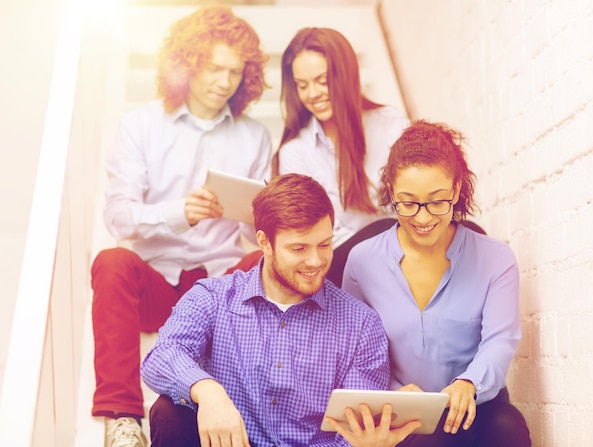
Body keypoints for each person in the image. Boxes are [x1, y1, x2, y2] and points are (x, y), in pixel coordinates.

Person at [90, 6, 272, 447]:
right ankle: (123, 418)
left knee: (260, 260)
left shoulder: (256, 136)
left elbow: (257, 236)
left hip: (219, 291)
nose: (224, 81)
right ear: (188, 64)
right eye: (214, 68)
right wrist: (179, 213)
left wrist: (251, 213)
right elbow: (118, 215)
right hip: (156, 283)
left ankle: (250, 406)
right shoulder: (140, 125)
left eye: (234, 72)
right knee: (112, 261)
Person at [140, 173, 420, 447]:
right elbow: (160, 357)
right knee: (168, 412)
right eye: (299, 248)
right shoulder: (213, 298)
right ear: (264, 242)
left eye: (324, 245)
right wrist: (208, 391)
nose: (315, 261)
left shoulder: (361, 325)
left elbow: (348, 436)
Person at [342, 120, 532, 447]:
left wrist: (467, 383)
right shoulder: (362, 262)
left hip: (474, 410)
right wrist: (391, 392)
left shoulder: (496, 259)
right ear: (391, 192)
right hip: (400, 416)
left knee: (508, 426)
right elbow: (353, 350)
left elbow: (500, 341)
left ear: (456, 190)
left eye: (437, 201)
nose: (423, 218)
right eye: (408, 202)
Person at [273, 27, 410, 286]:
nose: (312, 94)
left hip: (403, 251)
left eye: (322, 81)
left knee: (468, 235)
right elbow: (313, 235)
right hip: (339, 262)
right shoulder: (295, 152)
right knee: (381, 233)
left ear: (345, 76)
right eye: (302, 85)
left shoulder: (390, 125)